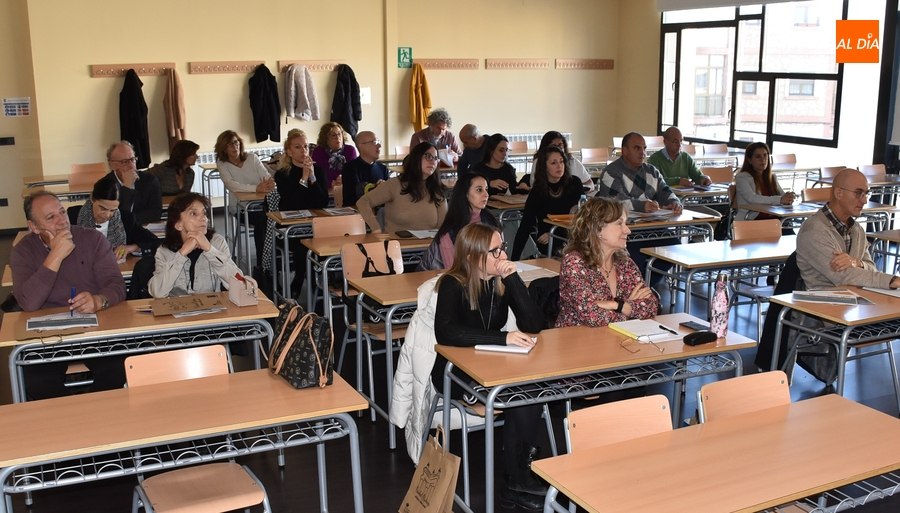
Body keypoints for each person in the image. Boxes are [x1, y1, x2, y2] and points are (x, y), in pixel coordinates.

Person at [431, 223, 547, 512]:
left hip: (492, 363)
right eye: (494, 251)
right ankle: (517, 479)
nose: (502, 255)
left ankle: (518, 476)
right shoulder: (453, 283)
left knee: (529, 392)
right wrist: (503, 338)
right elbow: (447, 332)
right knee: (513, 397)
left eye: (502, 248)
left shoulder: (500, 282)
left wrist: (514, 279)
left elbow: (534, 325)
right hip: (455, 371)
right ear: (472, 256)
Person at [10, 191, 126, 399]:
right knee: (37, 381)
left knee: (119, 367)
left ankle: (95, 414)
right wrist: (55, 255)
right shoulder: (23, 251)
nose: (62, 221)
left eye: (62, 212)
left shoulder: (92, 239)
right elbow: (28, 302)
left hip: (92, 329)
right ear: (34, 227)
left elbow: (116, 285)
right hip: (46, 337)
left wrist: (99, 300)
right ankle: (68, 417)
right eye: (50, 217)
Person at [556, 197, 658, 327]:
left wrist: (616, 305)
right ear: (598, 229)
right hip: (577, 336)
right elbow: (592, 317)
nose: (628, 230)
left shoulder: (624, 263)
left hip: (617, 335)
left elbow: (651, 305)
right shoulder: (574, 263)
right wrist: (628, 309)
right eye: (619, 223)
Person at [596, 132, 683, 277]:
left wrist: (674, 202)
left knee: (674, 247)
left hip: (652, 227)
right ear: (625, 151)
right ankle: (636, 286)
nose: (642, 152)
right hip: (626, 230)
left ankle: (646, 285)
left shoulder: (652, 171)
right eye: (637, 148)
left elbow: (666, 191)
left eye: (644, 148)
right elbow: (616, 201)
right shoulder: (611, 172)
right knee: (635, 257)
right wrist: (641, 205)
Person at [796, 168, 900, 290]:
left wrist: (856, 262)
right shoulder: (813, 230)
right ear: (839, 193)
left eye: (866, 194)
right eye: (859, 193)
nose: (864, 200)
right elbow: (843, 276)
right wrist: (892, 280)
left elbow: (871, 268)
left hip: (856, 297)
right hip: (822, 299)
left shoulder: (857, 229)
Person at [148, 193, 242, 298]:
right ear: (178, 224)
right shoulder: (164, 251)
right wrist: (181, 254)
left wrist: (210, 250)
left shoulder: (217, 242)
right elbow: (157, 292)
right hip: (178, 307)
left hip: (211, 306)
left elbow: (240, 285)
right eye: (193, 214)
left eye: (204, 213)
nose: (203, 218)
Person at [273, 129, 329, 297]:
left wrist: (312, 177)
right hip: (291, 226)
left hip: (314, 223)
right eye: (298, 147)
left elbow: (322, 202)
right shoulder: (282, 174)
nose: (303, 150)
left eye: (305, 146)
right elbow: (292, 204)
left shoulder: (318, 170)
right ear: (289, 152)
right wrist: (303, 178)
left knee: (326, 242)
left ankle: (319, 282)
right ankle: (300, 277)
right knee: (303, 246)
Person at [356, 142, 448, 234]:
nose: (433, 162)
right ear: (416, 158)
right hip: (397, 242)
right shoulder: (394, 185)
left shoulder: (437, 189)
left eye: (436, 158)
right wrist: (376, 228)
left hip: (429, 242)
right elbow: (363, 202)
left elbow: (442, 226)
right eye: (428, 156)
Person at [417, 172, 500, 271]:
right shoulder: (450, 231)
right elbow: (454, 272)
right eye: (479, 190)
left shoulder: (492, 223)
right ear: (465, 194)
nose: (486, 194)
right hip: (447, 276)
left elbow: (499, 258)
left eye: (486, 189)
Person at [510, 146, 582, 260]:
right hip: (547, 239)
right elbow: (525, 225)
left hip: (571, 234)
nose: (559, 166)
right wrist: (514, 260)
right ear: (544, 167)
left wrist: (555, 233)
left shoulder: (575, 183)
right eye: (554, 163)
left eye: (561, 161)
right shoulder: (538, 191)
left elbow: (581, 216)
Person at [215, 130, 274, 266]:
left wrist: (270, 182)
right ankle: (263, 263)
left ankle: (272, 260)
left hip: (261, 204)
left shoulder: (252, 158)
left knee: (270, 218)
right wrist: (255, 188)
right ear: (223, 148)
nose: (235, 146)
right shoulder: (222, 164)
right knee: (262, 219)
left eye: (236, 142)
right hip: (241, 209)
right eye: (230, 144)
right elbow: (232, 185)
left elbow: (265, 175)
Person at [76, 176, 159, 258]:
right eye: (102, 208)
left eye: (113, 210)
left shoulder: (126, 219)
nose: (107, 215)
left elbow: (155, 242)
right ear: (92, 198)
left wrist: (133, 248)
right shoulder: (73, 217)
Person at [734, 141, 796, 221]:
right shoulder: (742, 177)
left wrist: (789, 198)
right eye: (758, 156)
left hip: (774, 219)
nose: (763, 159)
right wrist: (780, 199)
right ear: (749, 160)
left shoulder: (772, 177)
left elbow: (781, 195)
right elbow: (752, 198)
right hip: (751, 220)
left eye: (765, 155)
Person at [105, 140, 163, 225]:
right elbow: (113, 217)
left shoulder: (150, 180)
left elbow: (155, 212)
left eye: (132, 159)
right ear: (112, 165)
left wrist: (130, 219)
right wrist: (127, 188)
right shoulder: (105, 185)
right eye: (125, 162)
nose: (131, 165)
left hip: (141, 227)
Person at [519, 131, 593, 192]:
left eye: (560, 145)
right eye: (553, 163)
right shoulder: (538, 162)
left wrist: (583, 190)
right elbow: (535, 186)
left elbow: (590, 183)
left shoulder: (572, 161)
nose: (558, 149)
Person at [647, 126, 711, 187]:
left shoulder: (686, 157)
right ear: (665, 142)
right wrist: (678, 181)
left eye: (681, 141)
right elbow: (654, 180)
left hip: (684, 194)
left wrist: (704, 178)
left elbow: (697, 176)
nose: (679, 145)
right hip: (663, 194)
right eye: (675, 142)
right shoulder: (654, 159)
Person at [342, 130, 390, 207]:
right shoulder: (350, 168)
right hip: (357, 211)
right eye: (374, 142)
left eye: (378, 142)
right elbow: (354, 197)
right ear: (362, 146)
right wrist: (379, 188)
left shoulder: (383, 168)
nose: (379, 146)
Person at [312, 121, 358, 188]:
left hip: (346, 188)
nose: (338, 137)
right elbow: (315, 176)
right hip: (325, 189)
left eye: (339, 134)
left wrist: (345, 179)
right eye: (333, 135)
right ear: (326, 138)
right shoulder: (318, 151)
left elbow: (355, 175)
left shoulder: (350, 150)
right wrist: (331, 183)